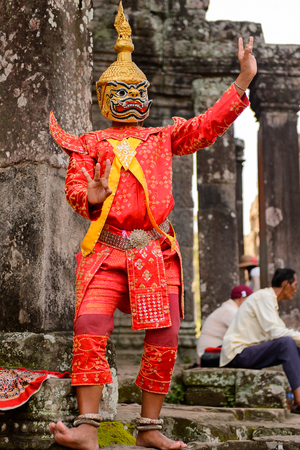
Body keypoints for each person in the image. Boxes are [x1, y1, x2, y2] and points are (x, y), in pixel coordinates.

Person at [48, 3, 257, 449]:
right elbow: (75, 189)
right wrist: (93, 197)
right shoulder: (88, 145)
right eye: (120, 94)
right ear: (105, 100)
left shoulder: (162, 137)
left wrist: (241, 82)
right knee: (89, 324)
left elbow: (206, 127)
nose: (130, 101)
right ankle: (87, 426)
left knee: (164, 334)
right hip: (106, 248)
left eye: (136, 92)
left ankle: (150, 429)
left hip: (153, 250)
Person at [220, 268, 300, 414]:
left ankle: (297, 400)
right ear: (285, 284)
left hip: (249, 352)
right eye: (295, 285)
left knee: (294, 345)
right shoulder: (264, 297)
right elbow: (277, 333)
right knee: (287, 343)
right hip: (238, 354)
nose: (295, 290)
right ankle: (299, 400)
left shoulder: (270, 301)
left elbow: (277, 332)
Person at [196, 285, 252, 365]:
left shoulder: (229, 309)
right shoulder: (230, 311)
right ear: (241, 300)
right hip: (208, 355)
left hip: (209, 353)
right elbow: (246, 333)